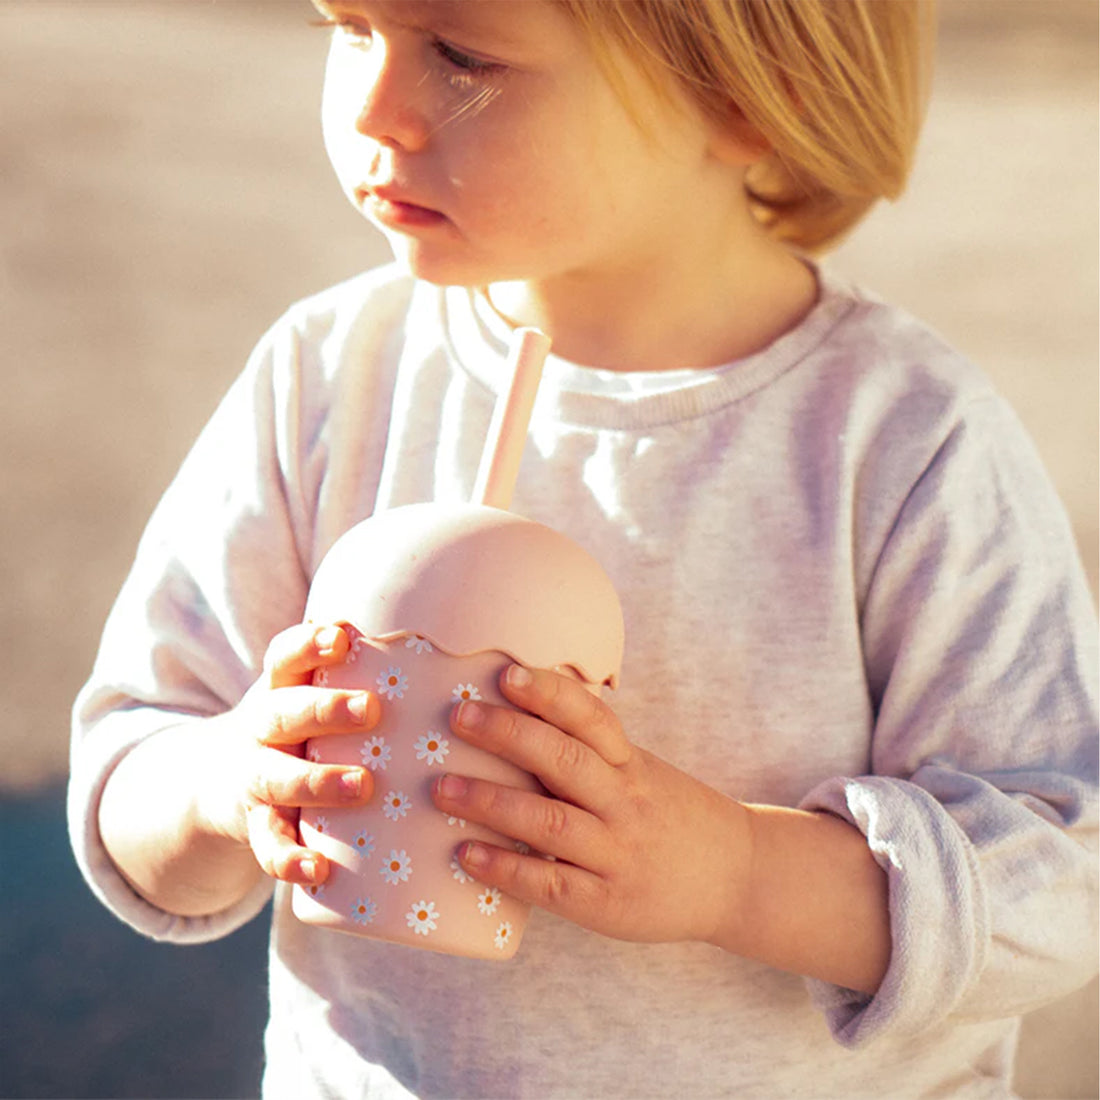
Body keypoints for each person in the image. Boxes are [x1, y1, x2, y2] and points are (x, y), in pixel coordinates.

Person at [69, 1, 1098, 1096]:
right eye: (351, 25)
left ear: (749, 96)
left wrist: (735, 870)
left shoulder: (899, 439)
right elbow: (133, 772)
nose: (372, 108)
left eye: (462, 55)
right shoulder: (329, 378)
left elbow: (1057, 880)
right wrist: (227, 782)